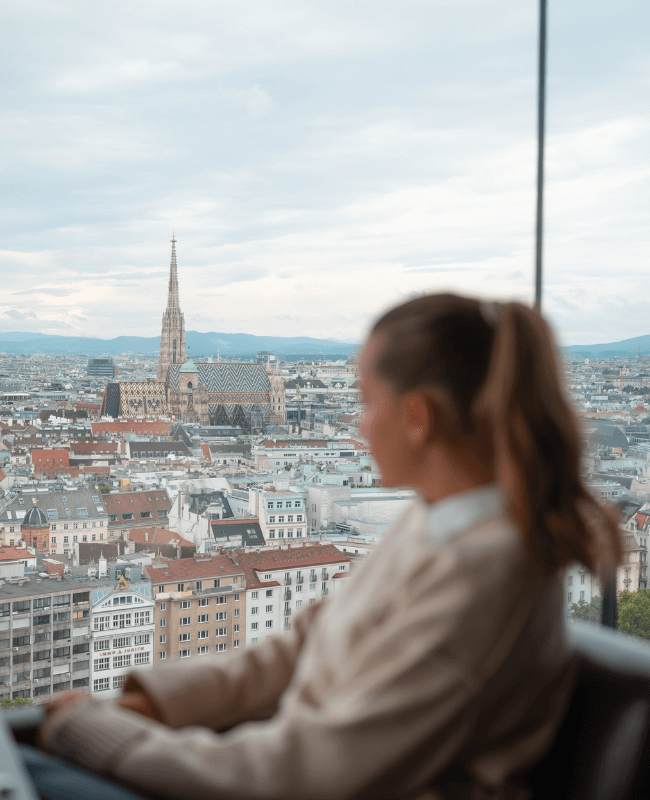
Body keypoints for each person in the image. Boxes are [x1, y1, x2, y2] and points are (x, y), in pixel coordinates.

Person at [35, 293, 621, 800]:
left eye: (366, 402)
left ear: (418, 417)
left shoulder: (489, 575)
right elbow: (301, 644)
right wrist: (156, 706)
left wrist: (103, 733)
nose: (356, 425)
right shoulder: (438, 523)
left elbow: (311, 774)